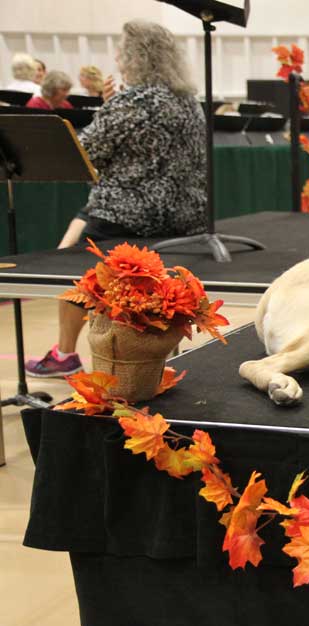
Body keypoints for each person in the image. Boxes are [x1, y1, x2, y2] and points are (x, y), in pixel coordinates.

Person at [26, 20, 207, 378]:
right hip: (184, 217)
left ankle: (65, 353)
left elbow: (84, 154)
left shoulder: (132, 101)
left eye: (121, 50)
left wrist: (108, 109)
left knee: (72, 255)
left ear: (135, 57)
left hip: (128, 216)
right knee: (82, 222)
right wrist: (111, 106)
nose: (116, 57)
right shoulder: (190, 103)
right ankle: (162, 354)